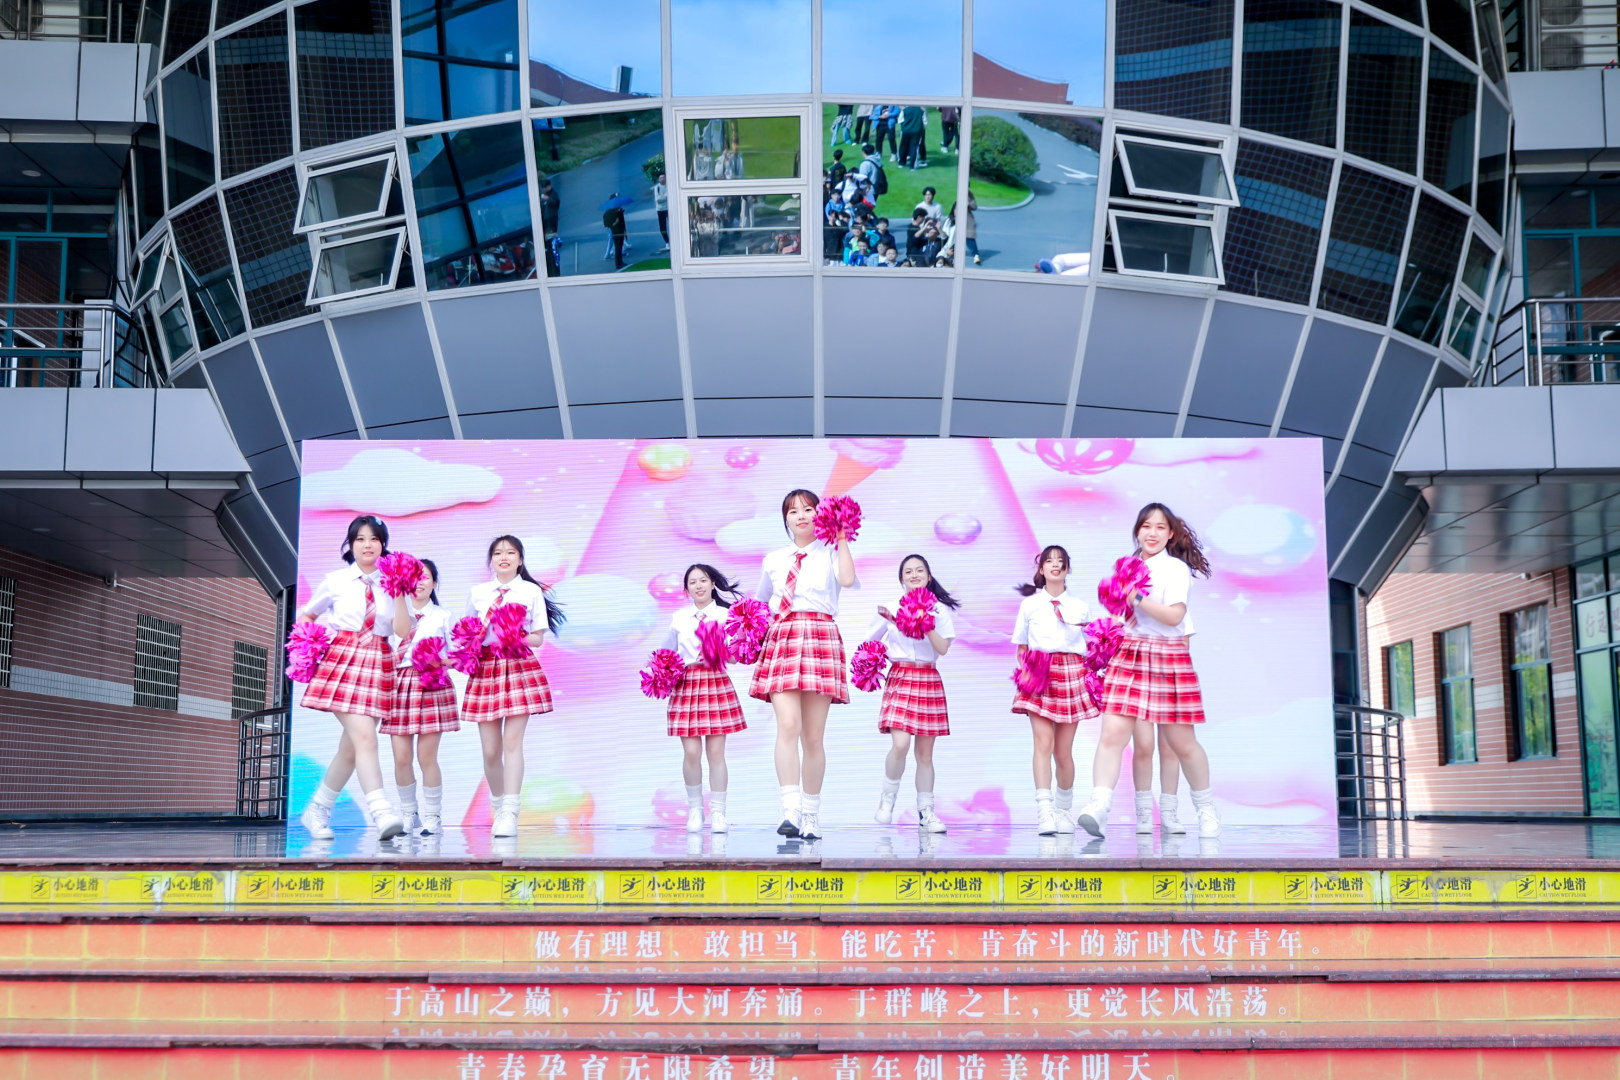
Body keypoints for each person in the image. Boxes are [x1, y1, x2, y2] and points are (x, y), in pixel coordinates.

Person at [1077, 505, 1220, 839]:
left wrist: (1136, 597)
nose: (1151, 533)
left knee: (1182, 743)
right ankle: (1099, 806)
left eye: (1159, 527)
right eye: (1145, 526)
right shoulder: (1127, 568)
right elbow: (1120, 614)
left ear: (1170, 534)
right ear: (1137, 531)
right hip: (1130, 653)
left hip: (1167, 656)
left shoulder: (1175, 569)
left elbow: (1174, 617)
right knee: (1112, 734)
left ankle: (1206, 811)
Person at [751, 489, 858, 841]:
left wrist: (841, 537)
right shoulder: (773, 559)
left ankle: (811, 815)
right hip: (783, 636)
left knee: (813, 737)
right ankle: (790, 811)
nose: (801, 516)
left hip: (820, 636)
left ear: (820, 515)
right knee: (788, 724)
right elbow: (759, 602)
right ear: (785, 519)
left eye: (808, 509)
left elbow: (846, 580)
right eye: (793, 511)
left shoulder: (831, 552)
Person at [297, 515, 406, 842]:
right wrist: (307, 646)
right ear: (351, 544)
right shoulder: (336, 581)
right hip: (343, 660)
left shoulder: (393, 583)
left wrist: (401, 592)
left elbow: (403, 631)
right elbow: (308, 613)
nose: (367, 545)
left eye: (374, 539)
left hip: (379, 661)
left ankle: (317, 810)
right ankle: (381, 811)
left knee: (351, 748)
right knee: (366, 739)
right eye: (360, 539)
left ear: (383, 545)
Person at [463, 535, 566, 837]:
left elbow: (538, 638)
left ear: (520, 560)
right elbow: (466, 632)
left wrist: (513, 636)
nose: (504, 557)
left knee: (512, 743)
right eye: (498, 553)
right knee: (490, 751)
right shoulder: (478, 593)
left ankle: (510, 812)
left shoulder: (530, 591)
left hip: (518, 664)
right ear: (491, 560)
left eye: (510, 553)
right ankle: (498, 807)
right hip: (485, 668)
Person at [1011, 545, 1100, 836]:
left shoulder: (1080, 606)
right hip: (1039, 671)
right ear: (1041, 569)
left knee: (1063, 752)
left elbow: (1092, 646)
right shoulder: (1030, 605)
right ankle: (1044, 812)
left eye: (1061, 561)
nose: (1055, 565)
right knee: (1043, 742)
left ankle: (1063, 811)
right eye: (1049, 561)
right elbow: (1021, 647)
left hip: (1072, 672)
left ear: (1068, 569)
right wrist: (1029, 672)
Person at [871, 555, 959, 834]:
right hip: (900, 676)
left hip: (928, 677)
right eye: (908, 571)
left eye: (919, 570)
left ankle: (926, 812)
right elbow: (870, 642)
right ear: (901, 579)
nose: (914, 575)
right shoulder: (890, 608)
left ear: (928, 576)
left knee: (924, 754)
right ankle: (887, 799)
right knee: (900, 744)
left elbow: (942, 649)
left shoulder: (939, 610)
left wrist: (926, 623)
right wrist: (869, 665)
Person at [661, 563, 748, 834]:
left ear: (712, 584)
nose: (698, 585)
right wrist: (660, 671)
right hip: (686, 684)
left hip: (715, 680)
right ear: (686, 589)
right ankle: (695, 810)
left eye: (703, 580)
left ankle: (719, 813)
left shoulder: (726, 615)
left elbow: (735, 657)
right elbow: (666, 653)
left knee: (716, 753)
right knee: (691, 752)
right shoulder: (679, 618)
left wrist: (718, 649)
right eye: (692, 582)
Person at [382, 558, 457, 835]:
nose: (419, 582)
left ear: (434, 583)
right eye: (413, 577)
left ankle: (433, 817)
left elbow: (459, 656)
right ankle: (408, 814)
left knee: (427, 757)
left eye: (425, 576)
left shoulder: (444, 616)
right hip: (399, 684)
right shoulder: (392, 614)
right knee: (401, 757)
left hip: (431, 684)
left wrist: (437, 662)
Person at [951, 191, 980, 264]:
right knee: (953, 238)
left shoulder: (969, 195)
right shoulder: (959, 190)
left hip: (968, 220)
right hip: (957, 219)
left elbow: (975, 207)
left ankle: (976, 255)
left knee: (970, 238)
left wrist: (968, 203)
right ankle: (952, 255)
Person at [539, 180, 561, 275]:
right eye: (543, 188)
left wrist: (547, 199)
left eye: (546, 187)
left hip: (551, 225)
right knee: (548, 246)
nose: (544, 189)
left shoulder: (553, 195)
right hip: (546, 225)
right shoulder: (543, 198)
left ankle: (554, 271)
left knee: (551, 245)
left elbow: (555, 202)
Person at [898, 105, 926, 169]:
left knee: (903, 146)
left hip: (905, 131)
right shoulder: (921, 110)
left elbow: (900, 120)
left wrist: (904, 127)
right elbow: (924, 122)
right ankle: (912, 166)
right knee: (914, 148)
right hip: (916, 131)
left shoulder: (905, 110)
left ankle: (901, 163)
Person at [602, 197, 628, 270]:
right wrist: (615, 223)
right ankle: (618, 264)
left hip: (620, 231)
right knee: (617, 248)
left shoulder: (617, 211)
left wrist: (621, 212)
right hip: (616, 232)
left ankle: (620, 262)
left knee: (619, 247)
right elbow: (607, 224)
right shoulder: (610, 213)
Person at [653, 174, 669, 249]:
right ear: (658, 180)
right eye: (660, 178)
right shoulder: (657, 187)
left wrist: (663, 196)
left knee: (673, 225)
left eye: (663, 177)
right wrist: (666, 196)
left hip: (668, 209)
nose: (662, 179)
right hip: (661, 209)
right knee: (662, 227)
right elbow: (658, 200)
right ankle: (667, 242)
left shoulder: (668, 186)